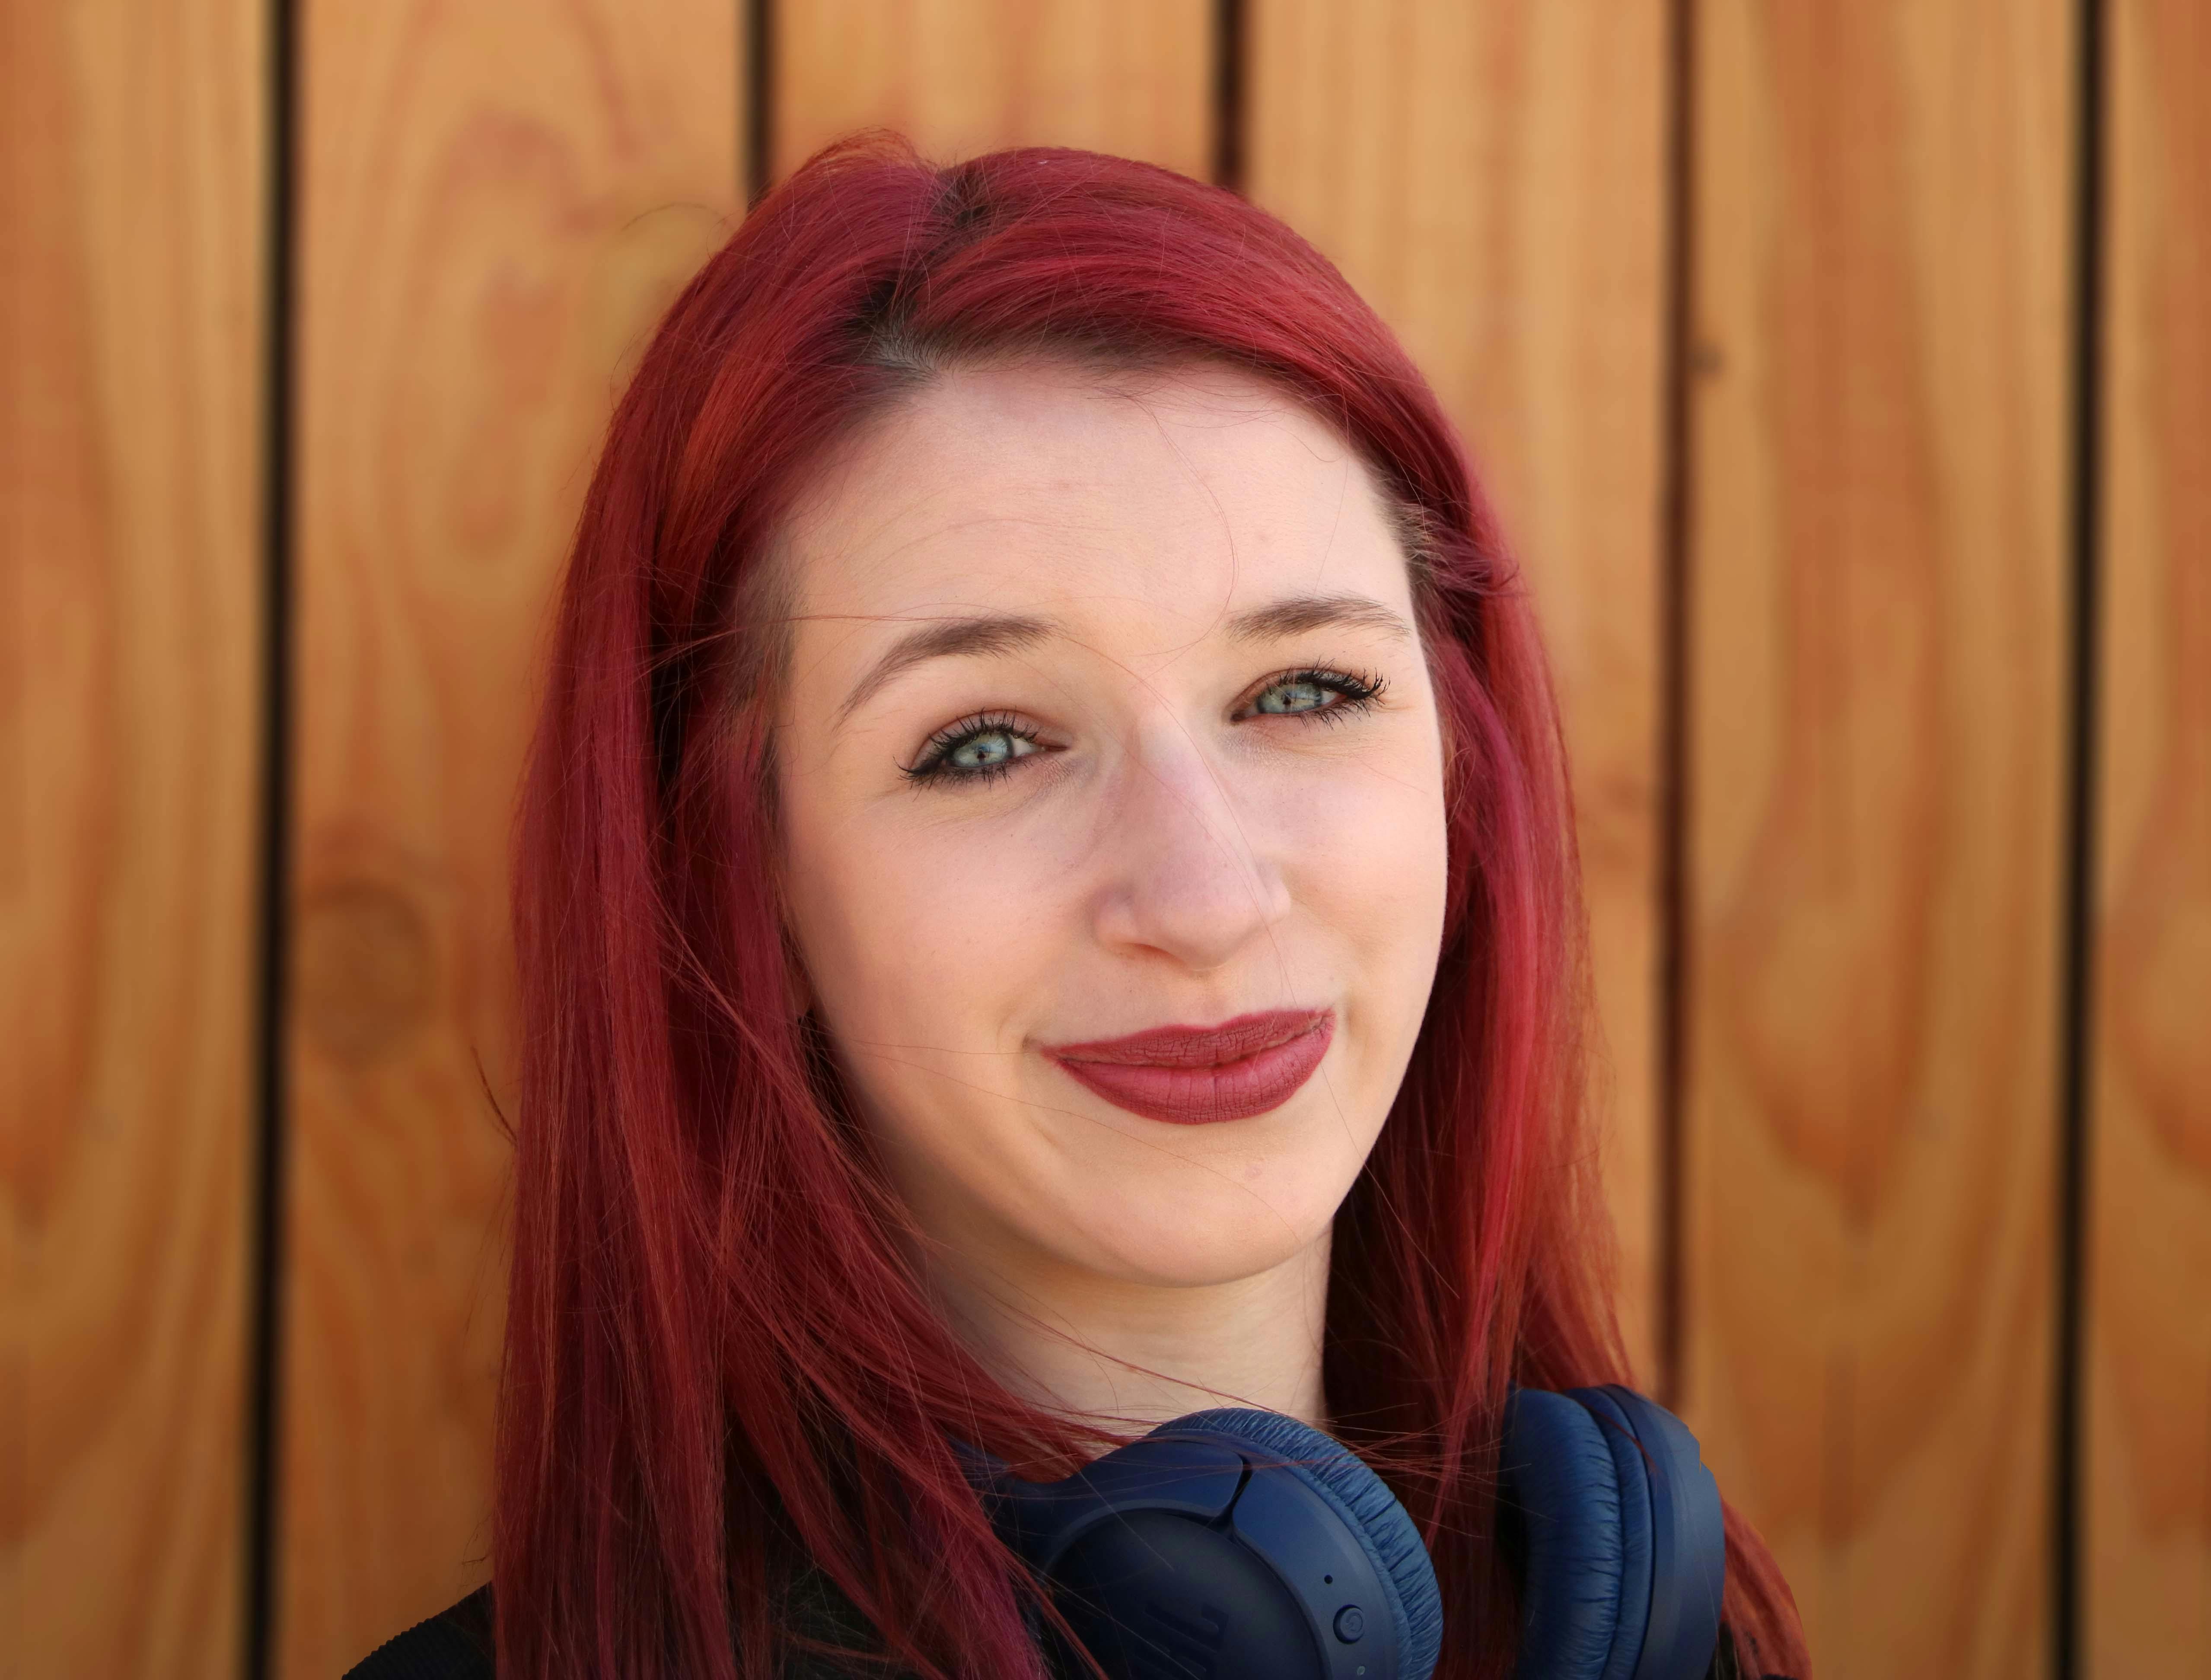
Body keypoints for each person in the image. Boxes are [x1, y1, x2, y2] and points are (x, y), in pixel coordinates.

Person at [349, 136, 1809, 1680]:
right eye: (985, 743)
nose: (1203, 896)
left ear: (1458, 768)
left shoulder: (1649, 1637)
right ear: (744, 884)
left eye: (1305, 689)